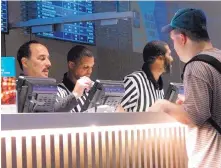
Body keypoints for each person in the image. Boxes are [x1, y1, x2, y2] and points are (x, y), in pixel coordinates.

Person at [149, 8, 221, 168]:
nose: (173, 48)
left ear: (182, 38)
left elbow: (194, 117)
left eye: (172, 40)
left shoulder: (196, 66)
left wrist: (165, 106)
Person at [17, 40, 92, 112]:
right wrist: (75, 94)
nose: (49, 63)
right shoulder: (12, 91)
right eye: (42, 58)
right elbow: (50, 115)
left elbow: (54, 110)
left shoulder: (50, 89)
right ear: (25, 62)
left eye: (48, 58)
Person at [120, 40, 173, 112]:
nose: (172, 59)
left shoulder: (159, 87)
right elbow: (117, 110)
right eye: (169, 55)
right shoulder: (134, 81)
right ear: (159, 58)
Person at [57, 45, 95, 112]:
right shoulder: (58, 91)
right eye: (86, 67)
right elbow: (53, 115)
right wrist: (75, 94)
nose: (90, 71)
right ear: (72, 65)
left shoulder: (91, 91)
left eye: (91, 67)